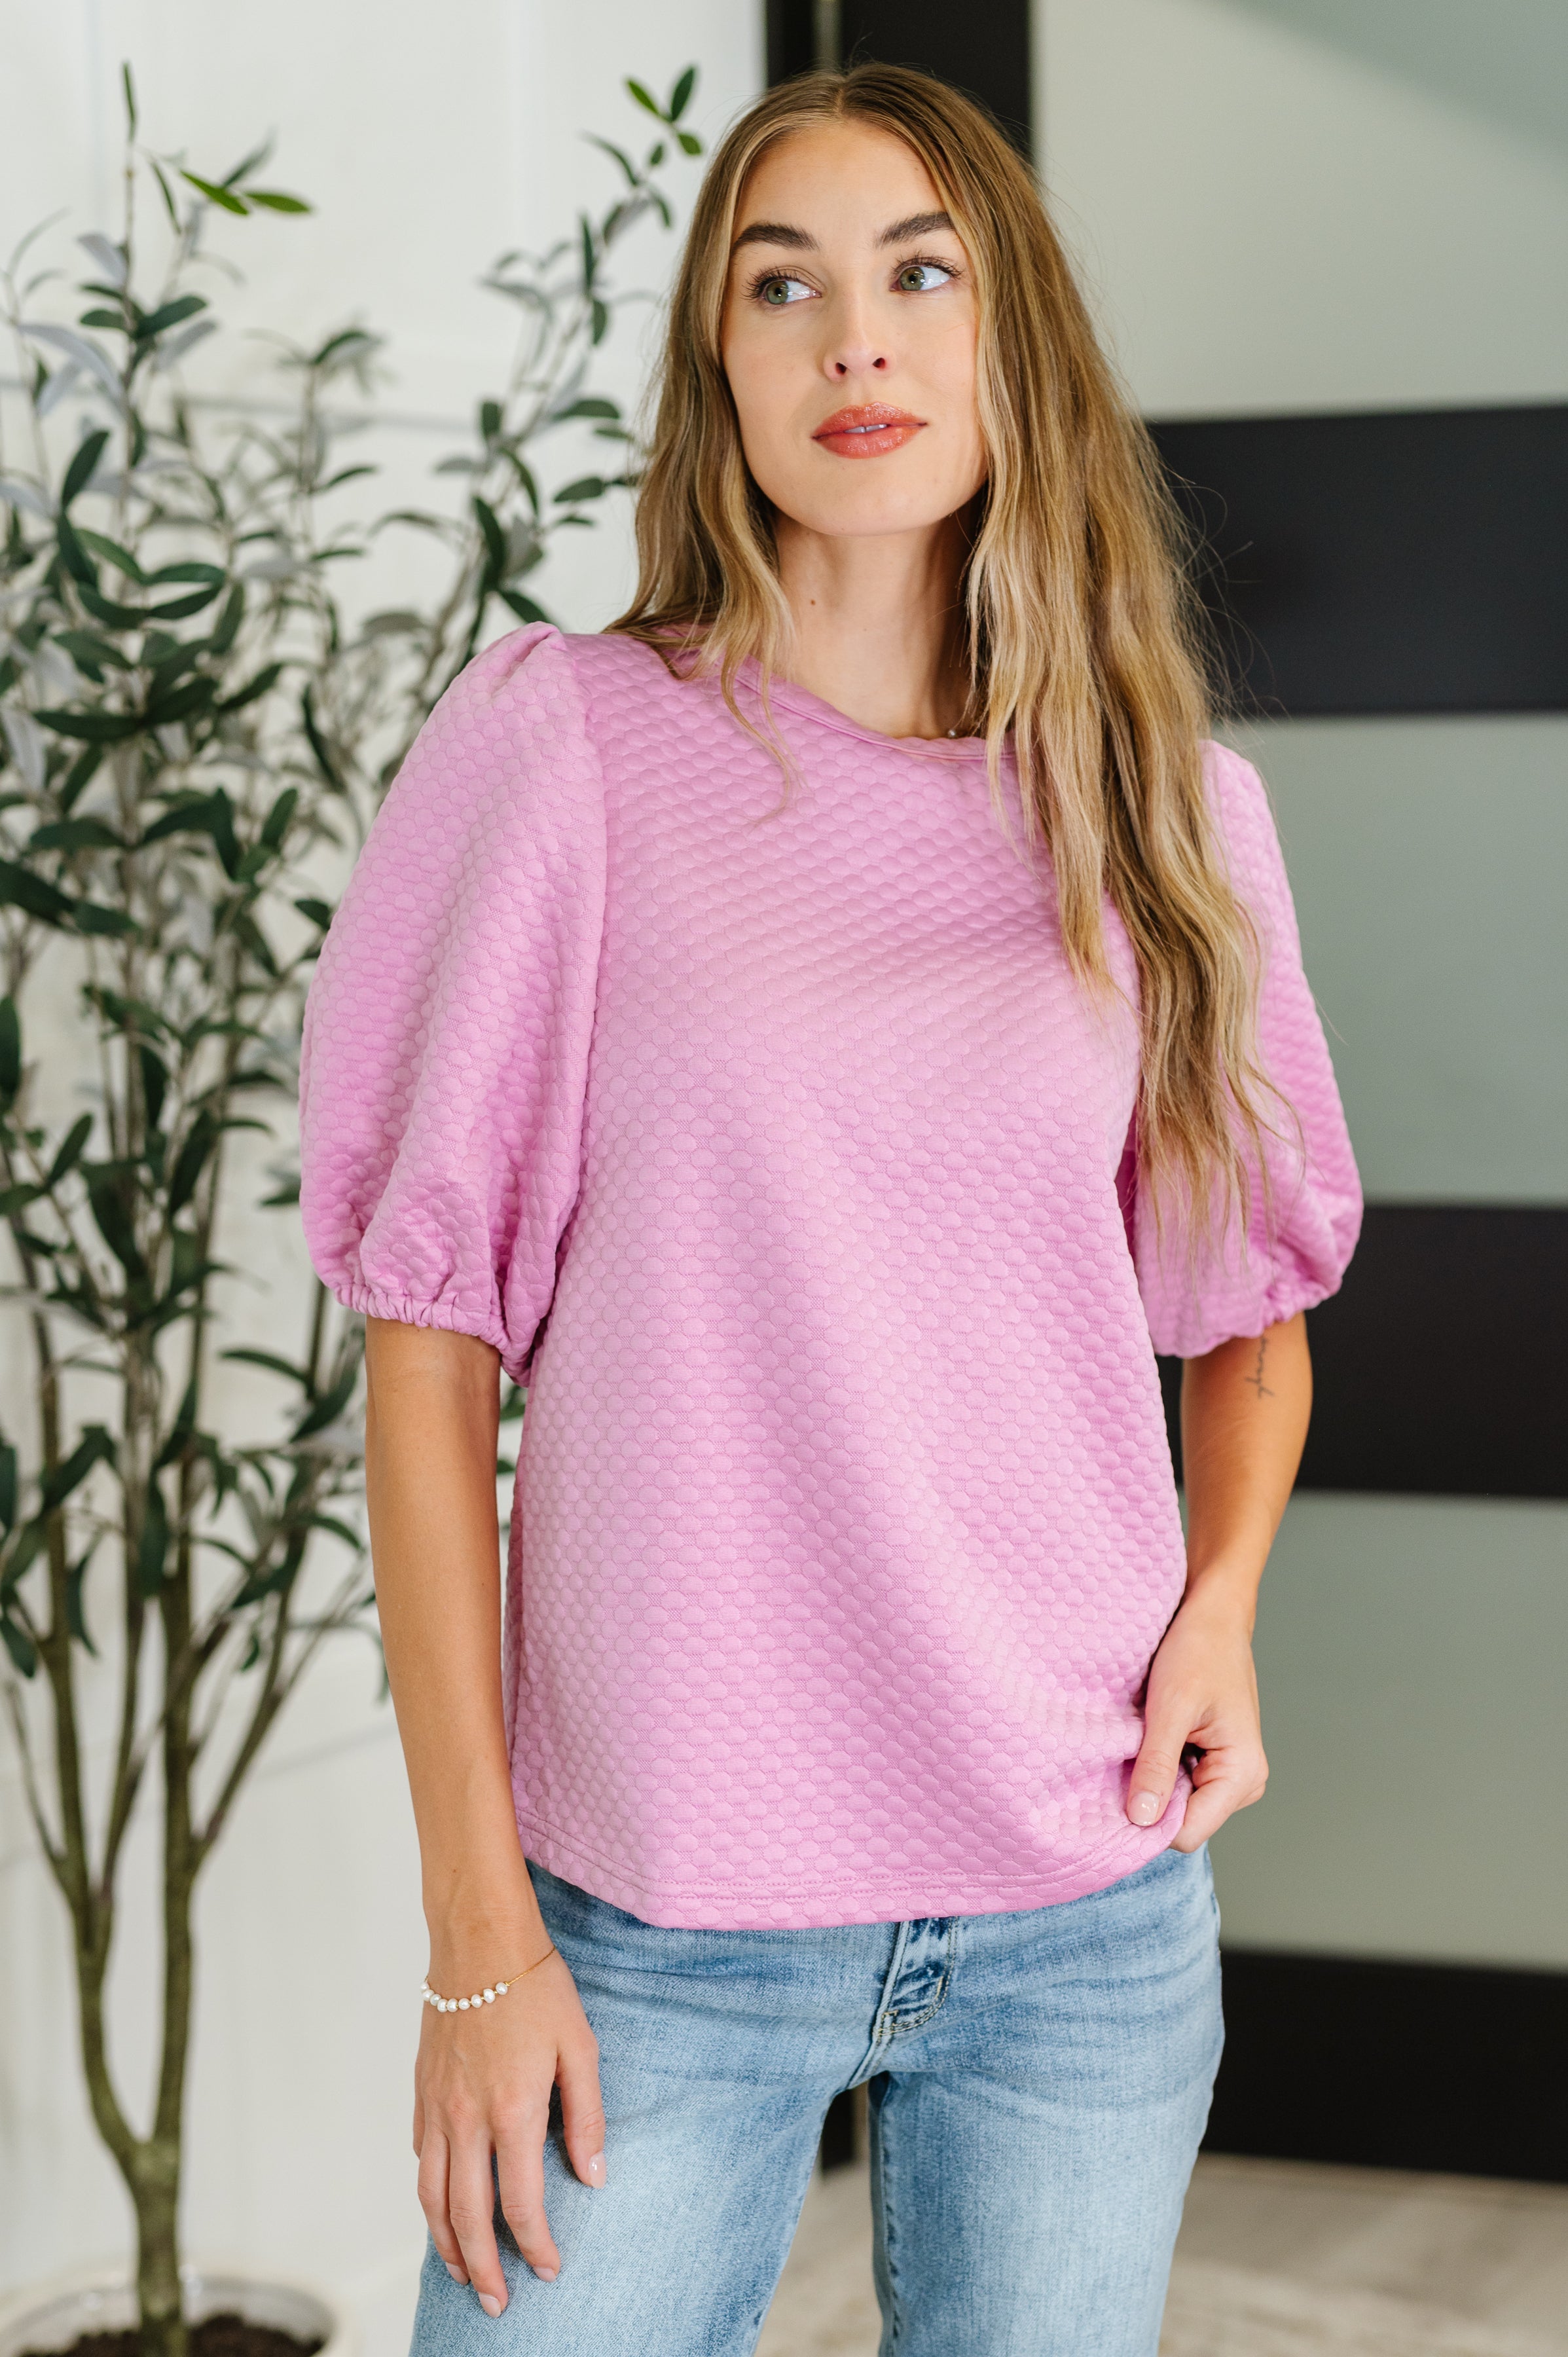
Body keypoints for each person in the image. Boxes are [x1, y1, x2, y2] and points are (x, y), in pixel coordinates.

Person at [299, 62, 1360, 2357]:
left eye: (917, 278)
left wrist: (1224, 1608)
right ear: (718, 374)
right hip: (656, 1921)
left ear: (1012, 348)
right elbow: (425, 1335)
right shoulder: (569, 750)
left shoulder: (1167, 816)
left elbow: (1240, 1309)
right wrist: (478, 1930)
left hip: (1076, 1902)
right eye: (780, 289)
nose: (851, 344)